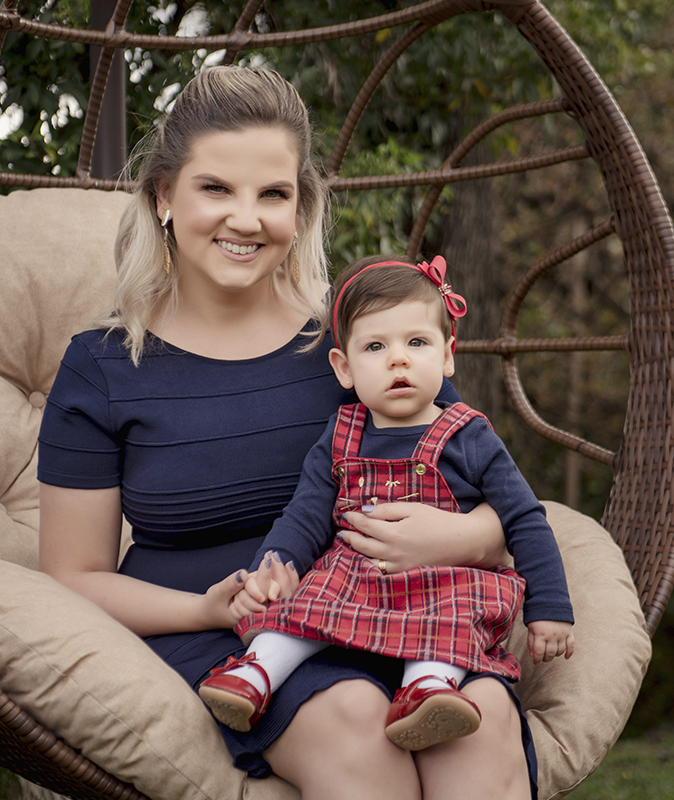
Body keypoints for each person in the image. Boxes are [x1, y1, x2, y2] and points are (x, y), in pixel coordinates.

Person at [37, 65, 541, 799]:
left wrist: (454, 539)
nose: (246, 219)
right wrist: (205, 608)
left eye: (272, 194)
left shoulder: (355, 349)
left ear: (300, 211)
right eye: (216, 189)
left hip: (389, 611)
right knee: (356, 720)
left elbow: (499, 505)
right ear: (163, 196)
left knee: (486, 713)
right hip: (218, 634)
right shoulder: (104, 367)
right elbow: (71, 576)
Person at [197, 256, 575, 752]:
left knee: (458, 611)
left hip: (445, 578)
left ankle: (428, 690)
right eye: (376, 346)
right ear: (345, 368)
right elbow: (305, 516)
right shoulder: (340, 435)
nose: (398, 359)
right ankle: (257, 672)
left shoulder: (470, 434)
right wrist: (273, 567)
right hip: (356, 575)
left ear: (447, 356)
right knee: (305, 600)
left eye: (416, 342)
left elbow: (523, 517)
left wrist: (550, 608)